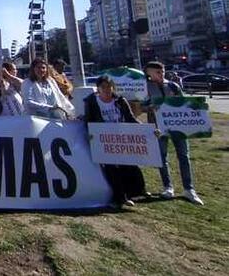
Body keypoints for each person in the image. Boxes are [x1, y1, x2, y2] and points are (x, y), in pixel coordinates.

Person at [144, 61, 203, 205]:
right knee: (162, 157)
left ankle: (189, 189)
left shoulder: (172, 86)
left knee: (183, 156)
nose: (161, 74)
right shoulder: (145, 87)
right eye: (157, 72)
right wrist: (149, 107)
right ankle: (168, 187)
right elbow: (141, 105)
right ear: (148, 73)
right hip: (158, 127)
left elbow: (184, 103)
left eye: (162, 71)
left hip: (178, 127)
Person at [84, 75, 148, 207]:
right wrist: (90, 134)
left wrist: (145, 129)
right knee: (111, 170)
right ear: (98, 89)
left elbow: (130, 118)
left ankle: (130, 193)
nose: (107, 89)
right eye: (103, 87)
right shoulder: (91, 101)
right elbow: (88, 120)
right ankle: (119, 198)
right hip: (104, 139)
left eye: (109, 86)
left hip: (121, 138)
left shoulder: (120, 101)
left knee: (128, 166)